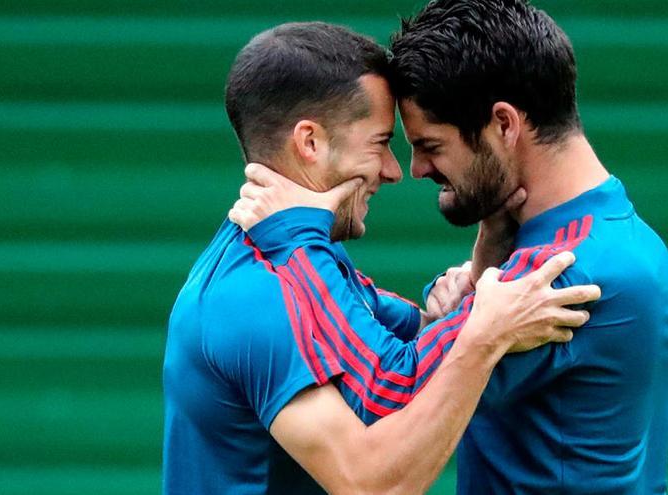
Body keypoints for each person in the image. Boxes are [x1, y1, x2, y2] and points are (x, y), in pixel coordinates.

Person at [231, 0, 668, 493]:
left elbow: (383, 395)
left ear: (504, 125)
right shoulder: (624, 236)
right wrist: (473, 296)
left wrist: (293, 240)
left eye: (430, 146)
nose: (416, 170)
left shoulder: (558, 274)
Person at [163, 21, 601, 495]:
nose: (394, 171)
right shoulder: (255, 297)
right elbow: (371, 484)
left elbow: (412, 343)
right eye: (379, 143)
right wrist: (484, 333)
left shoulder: (303, 262)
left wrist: (480, 277)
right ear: (310, 143)